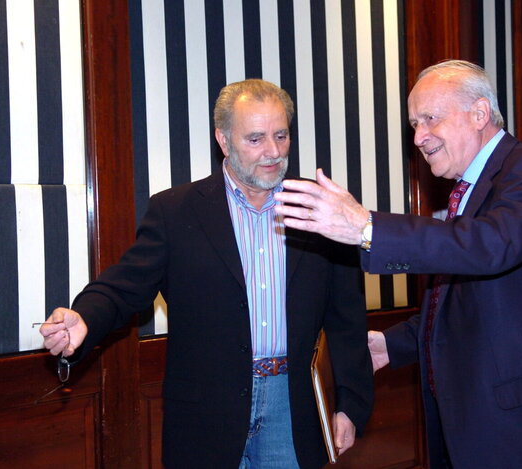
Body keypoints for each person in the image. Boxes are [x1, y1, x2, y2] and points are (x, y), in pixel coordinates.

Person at [274, 60, 522, 468]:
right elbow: (466, 299)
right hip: (478, 421)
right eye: (415, 124)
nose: (419, 137)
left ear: (480, 114)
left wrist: (367, 228)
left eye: (430, 119)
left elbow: (491, 247)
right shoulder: (467, 191)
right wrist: (391, 345)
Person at [38, 78, 374, 469]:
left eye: (281, 135)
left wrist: (350, 404)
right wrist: (85, 317)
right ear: (224, 140)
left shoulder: (320, 209)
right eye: (256, 138)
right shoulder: (176, 211)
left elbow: (347, 317)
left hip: (294, 408)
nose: (273, 151)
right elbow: (124, 287)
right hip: (206, 414)